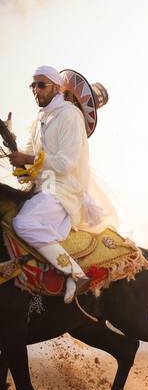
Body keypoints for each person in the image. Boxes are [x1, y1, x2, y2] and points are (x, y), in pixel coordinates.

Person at [5, 66, 108, 302]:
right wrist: (18, 160)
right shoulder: (39, 119)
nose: (35, 91)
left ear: (56, 86)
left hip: (64, 191)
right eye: (33, 85)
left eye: (41, 85)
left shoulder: (71, 115)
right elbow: (30, 164)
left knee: (23, 224)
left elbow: (65, 164)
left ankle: (76, 273)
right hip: (42, 190)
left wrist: (28, 160)